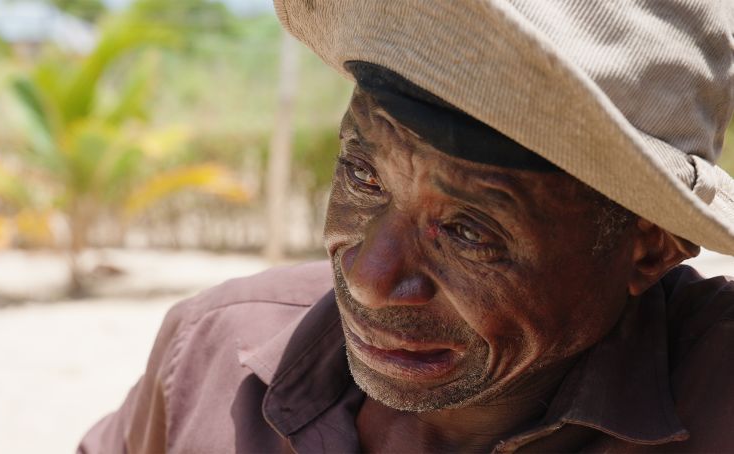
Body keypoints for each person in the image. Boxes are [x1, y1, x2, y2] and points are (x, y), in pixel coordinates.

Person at [79, 1, 734, 452]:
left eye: (470, 231)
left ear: (648, 246)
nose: (369, 279)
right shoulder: (210, 356)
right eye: (364, 180)